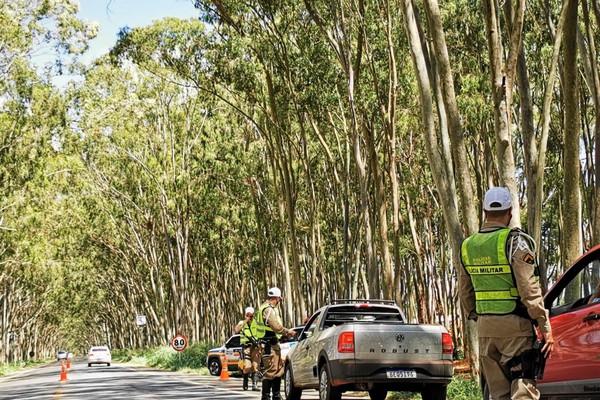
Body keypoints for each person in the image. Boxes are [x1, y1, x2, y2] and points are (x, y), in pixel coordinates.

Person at [459, 187, 554, 400]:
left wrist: (479, 316)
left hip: (485, 329)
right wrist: (544, 326)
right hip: (515, 329)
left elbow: (465, 293)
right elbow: (529, 289)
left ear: (484, 211)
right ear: (510, 211)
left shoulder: (468, 246)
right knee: (522, 391)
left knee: (498, 393)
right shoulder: (516, 242)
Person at [255, 287, 296, 400]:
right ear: (276, 298)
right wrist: (288, 332)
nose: (279, 301)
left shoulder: (269, 308)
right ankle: (266, 397)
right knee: (270, 372)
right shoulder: (267, 310)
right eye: (278, 299)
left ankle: (276, 395)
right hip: (268, 345)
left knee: (278, 370)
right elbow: (276, 327)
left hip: (273, 345)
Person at [234, 306, 260, 391]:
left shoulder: (256, 323)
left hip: (255, 347)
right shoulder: (242, 322)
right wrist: (245, 321)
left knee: (255, 366)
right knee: (247, 366)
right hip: (246, 348)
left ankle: (254, 385)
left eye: (251, 316)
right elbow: (236, 330)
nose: (249, 317)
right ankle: (245, 381)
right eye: (247, 315)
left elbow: (261, 333)